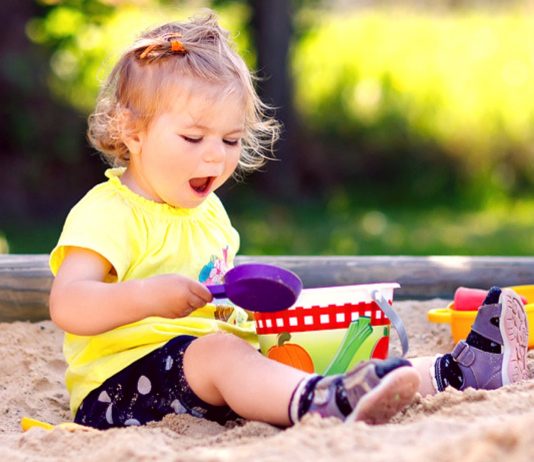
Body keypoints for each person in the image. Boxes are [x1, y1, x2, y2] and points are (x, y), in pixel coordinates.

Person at [48, 11, 529, 431]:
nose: (215, 158)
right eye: (193, 138)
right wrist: (148, 296)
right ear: (132, 131)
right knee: (224, 354)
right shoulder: (109, 213)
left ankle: (454, 374)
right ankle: (319, 403)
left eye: (231, 140)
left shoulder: (209, 212)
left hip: (209, 374)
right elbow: (68, 304)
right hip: (121, 391)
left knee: (322, 350)